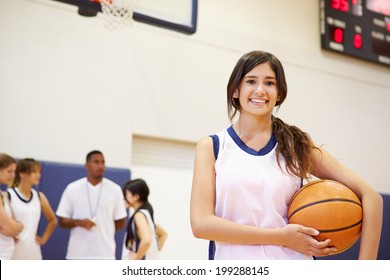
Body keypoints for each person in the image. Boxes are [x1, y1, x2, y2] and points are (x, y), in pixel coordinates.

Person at [190, 51, 383, 260]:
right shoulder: (212, 147)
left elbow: (372, 197)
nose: (260, 90)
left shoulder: (296, 145)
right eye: (251, 81)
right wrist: (281, 237)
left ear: (279, 93)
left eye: (270, 83)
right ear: (236, 90)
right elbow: (201, 225)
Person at [56, 150, 127, 259]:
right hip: (77, 254)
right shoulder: (72, 188)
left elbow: (121, 221)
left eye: (103, 162)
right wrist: (78, 222)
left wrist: (106, 228)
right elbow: (62, 221)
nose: (101, 166)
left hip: (105, 254)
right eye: (96, 162)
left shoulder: (115, 190)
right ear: (86, 165)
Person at [8, 158, 57, 259]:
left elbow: (52, 220)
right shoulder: (9, 195)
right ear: (22, 174)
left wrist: (43, 239)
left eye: (39, 172)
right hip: (13, 250)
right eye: (34, 172)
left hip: (33, 251)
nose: (38, 175)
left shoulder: (39, 197)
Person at [121, 179, 167, 260]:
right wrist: (154, 253)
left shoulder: (139, 215)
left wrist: (136, 259)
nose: (124, 198)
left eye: (126, 194)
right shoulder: (145, 214)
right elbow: (163, 234)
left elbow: (147, 240)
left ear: (136, 197)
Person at [0, 153, 24, 260]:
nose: (13, 176)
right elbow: (10, 228)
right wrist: (20, 226)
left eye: (14, 171)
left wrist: (17, 226)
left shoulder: (3, 194)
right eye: (9, 171)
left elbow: (13, 223)